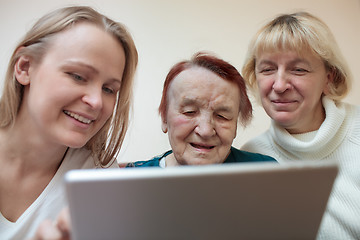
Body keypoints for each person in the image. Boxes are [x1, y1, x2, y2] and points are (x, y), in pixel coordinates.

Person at [0, 6, 138, 239]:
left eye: (108, 89)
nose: (96, 102)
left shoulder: (100, 179)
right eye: (77, 76)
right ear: (24, 67)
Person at [240, 12, 360, 239]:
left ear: (329, 78)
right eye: (267, 69)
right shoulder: (251, 158)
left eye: (299, 70)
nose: (280, 84)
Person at [126, 52, 276, 168]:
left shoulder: (265, 173)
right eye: (189, 112)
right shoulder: (131, 182)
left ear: (235, 124)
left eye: (222, 116)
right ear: (164, 117)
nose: (205, 131)